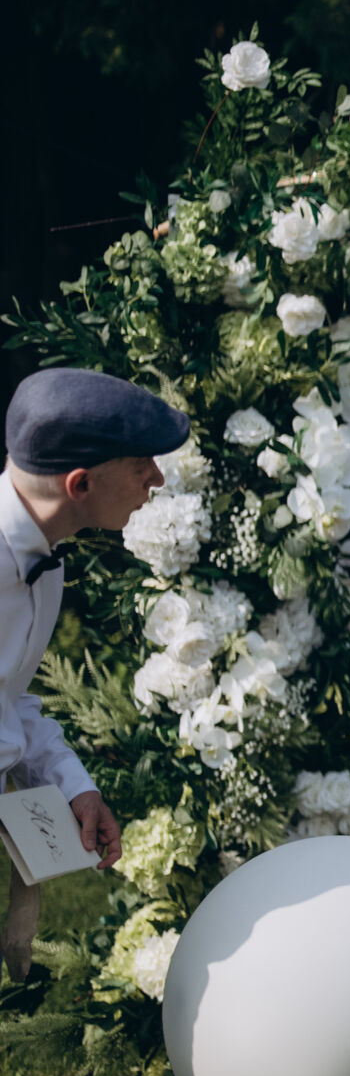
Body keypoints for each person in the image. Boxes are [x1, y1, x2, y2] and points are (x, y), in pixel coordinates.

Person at [0, 367, 189, 980]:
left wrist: (72, 786)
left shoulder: (44, 565)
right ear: (79, 484)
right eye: (141, 464)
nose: (156, 478)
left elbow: (9, 698)